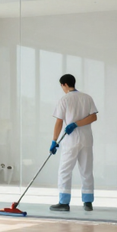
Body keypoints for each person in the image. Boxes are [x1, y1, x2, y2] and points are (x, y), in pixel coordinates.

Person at [49, 74, 98, 212]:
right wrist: (78, 124)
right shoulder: (87, 98)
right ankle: (88, 202)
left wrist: (54, 141)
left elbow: (59, 122)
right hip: (86, 139)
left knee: (65, 170)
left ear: (64, 85)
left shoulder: (64, 100)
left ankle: (64, 202)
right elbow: (93, 117)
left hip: (71, 141)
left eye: (62, 86)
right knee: (86, 170)